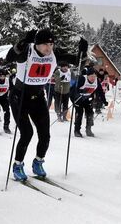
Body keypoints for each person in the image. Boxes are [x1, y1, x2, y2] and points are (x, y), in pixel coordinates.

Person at [5, 29, 76, 181]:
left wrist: (82, 53)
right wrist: (23, 42)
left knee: (45, 134)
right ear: (37, 44)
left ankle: (38, 162)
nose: (48, 48)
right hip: (20, 96)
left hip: (37, 96)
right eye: (44, 44)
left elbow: (74, 59)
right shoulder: (27, 52)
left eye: (51, 44)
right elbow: (9, 57)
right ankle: (17, 165)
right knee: (27, 133)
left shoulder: (54, 53)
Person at [71, 66, 98, 137]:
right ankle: (77, 130)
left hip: (86, 99)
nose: (93, 78)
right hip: (78, 99)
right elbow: (73, 89)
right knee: (79, 113)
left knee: (90, 113)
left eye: (94, 76)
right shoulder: (82, 79)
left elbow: (99, 91)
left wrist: (102, 100)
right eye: (91, 76)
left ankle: (88, 129)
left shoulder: (96, 81)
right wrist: (76, 97)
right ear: (87, 75)